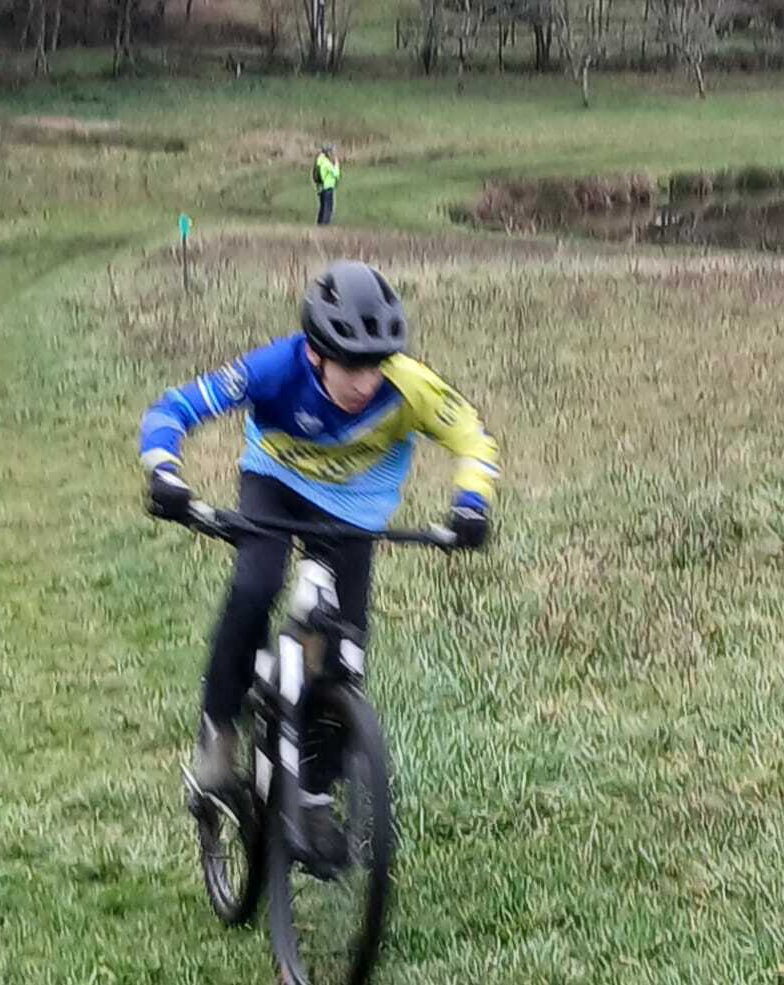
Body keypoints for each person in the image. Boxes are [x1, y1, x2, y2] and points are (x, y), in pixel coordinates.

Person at [138, 259, 499, 835]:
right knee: (255, 587)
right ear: (315, 353)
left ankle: (315, 792)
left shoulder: (410, 385)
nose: (366, 382)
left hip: (354, 511)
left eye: (376, 364)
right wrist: (164, 472)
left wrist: (472, 503)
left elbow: (472, 438)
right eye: (351, 365)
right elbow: (176, 408)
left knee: (344, 651)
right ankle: (217, 739)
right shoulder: (276, 368)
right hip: (276, 485)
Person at [313, 143, 341, 225]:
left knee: (322, 208)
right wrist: (336, 163)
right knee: (328, 208)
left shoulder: (319, 161)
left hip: (321, 187)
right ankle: (324, 225)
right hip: (328, 187)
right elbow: (336, 174)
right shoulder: (326, 163)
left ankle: (320, 224)